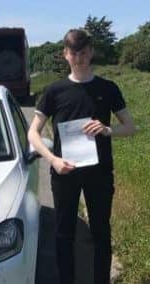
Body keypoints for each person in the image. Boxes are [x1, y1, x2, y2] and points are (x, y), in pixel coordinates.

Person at [28, 29, 136, 284]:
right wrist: (52, 159)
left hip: (99, 173)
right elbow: (33, 133)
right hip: (64, 172)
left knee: (101, 231)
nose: (79, 58)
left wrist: (108, 130)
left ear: (91, 53)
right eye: (74, 53)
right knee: (64, 233)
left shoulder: (108, 88)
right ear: (65, 54)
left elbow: (131, 127)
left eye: (84, 52)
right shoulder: (55, 90)